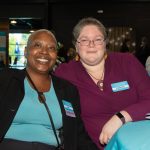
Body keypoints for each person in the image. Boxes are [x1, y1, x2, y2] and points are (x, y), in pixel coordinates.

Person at [54, 17, 150, 149]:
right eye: (84, 40)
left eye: (98, 39)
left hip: (139, 142)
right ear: (76, 45)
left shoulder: (127, 62)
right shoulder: (65, 73)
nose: (91, 44)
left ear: (105, 43)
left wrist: (120, 118)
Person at [0, 29, 98, 150]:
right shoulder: (6, 80)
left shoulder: (68, 90)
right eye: (37, 45)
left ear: (56, 55)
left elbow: (79, 135)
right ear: (26, 51)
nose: (44, 52)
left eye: (51, 48)